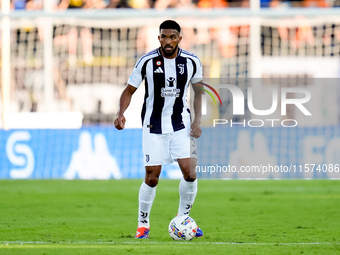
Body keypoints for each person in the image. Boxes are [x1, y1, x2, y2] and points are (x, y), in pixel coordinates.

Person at [114, 20, 204, 239]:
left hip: (181, 123)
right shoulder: (146, 61)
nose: (168, 41)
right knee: (152, 177)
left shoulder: (191, 61)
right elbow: (129, 91)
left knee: (190, 172)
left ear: (179, 39)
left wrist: (197, 121)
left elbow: (199, 92)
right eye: (164, 36)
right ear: (159, 38)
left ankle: (183, 218)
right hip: (153, 125)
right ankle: (143, 223)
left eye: (172, 37)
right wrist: (120, 113)